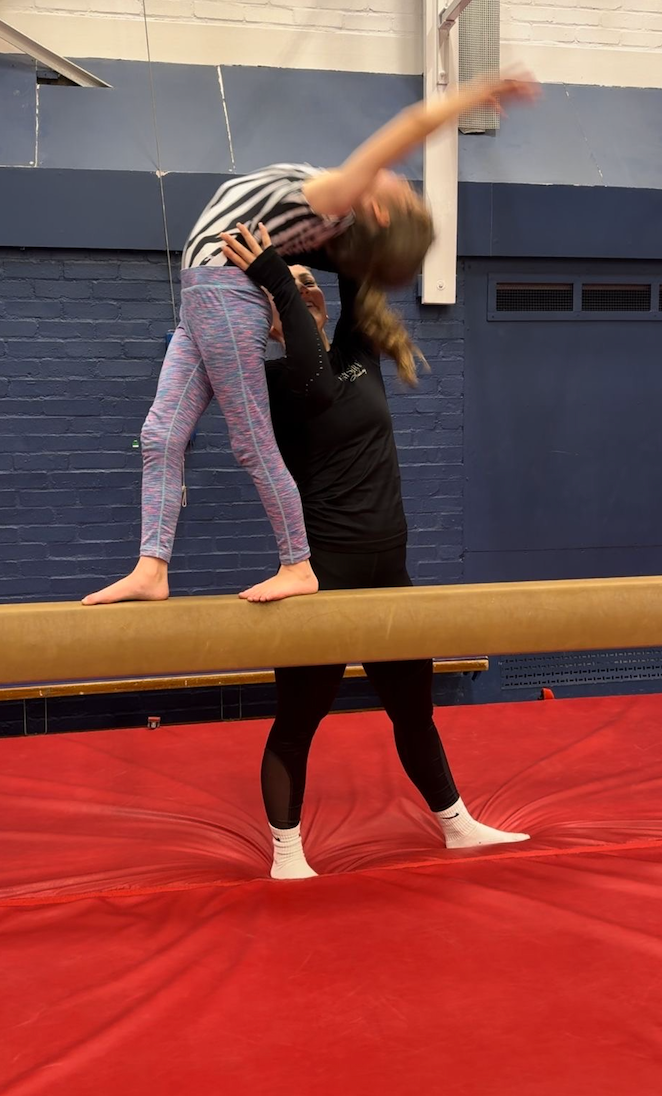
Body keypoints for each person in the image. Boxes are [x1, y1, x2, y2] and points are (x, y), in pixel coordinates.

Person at [82, 72, 538, 608]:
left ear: (379, 209)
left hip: (225, 294)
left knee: (250, 441)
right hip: (204, 295)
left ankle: (297, 563)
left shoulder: (338, 200)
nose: (396, 177)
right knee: (160, 433)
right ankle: (151, 567)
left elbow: (413, 123)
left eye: (405, 193)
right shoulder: (331, 221)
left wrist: (471, 94)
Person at [221, 224, 530, 879]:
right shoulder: (276, 382)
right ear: (267, 313)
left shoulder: (358, 355)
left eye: (310, 287)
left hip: (390, 573)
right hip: (324, 575)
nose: (303, 292)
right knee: (299, 720)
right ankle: (286, 852)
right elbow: (309, 370)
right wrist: (276, 275)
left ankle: (456, 826)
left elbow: (353, 279)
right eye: (287, 289)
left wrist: (330, 231)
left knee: (416, 713)